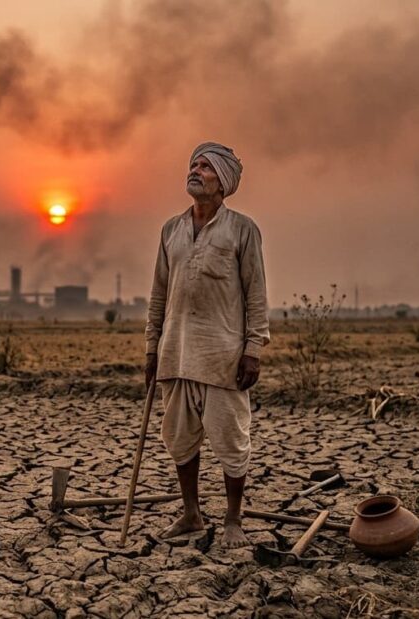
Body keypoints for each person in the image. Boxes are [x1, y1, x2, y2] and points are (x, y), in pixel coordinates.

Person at [144, 142, 270, 548]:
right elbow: (159, 295)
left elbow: (256, 294)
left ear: (223, 183)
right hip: (175, 353)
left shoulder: (242, 229)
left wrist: (253, 348)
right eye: (193, 164)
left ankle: (234, 519)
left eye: (205, 167)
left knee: (231, 441)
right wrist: (151, 347)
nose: (195, 170)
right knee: (179, 439)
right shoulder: (171, 230)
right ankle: (191, 513)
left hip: (223, 356)